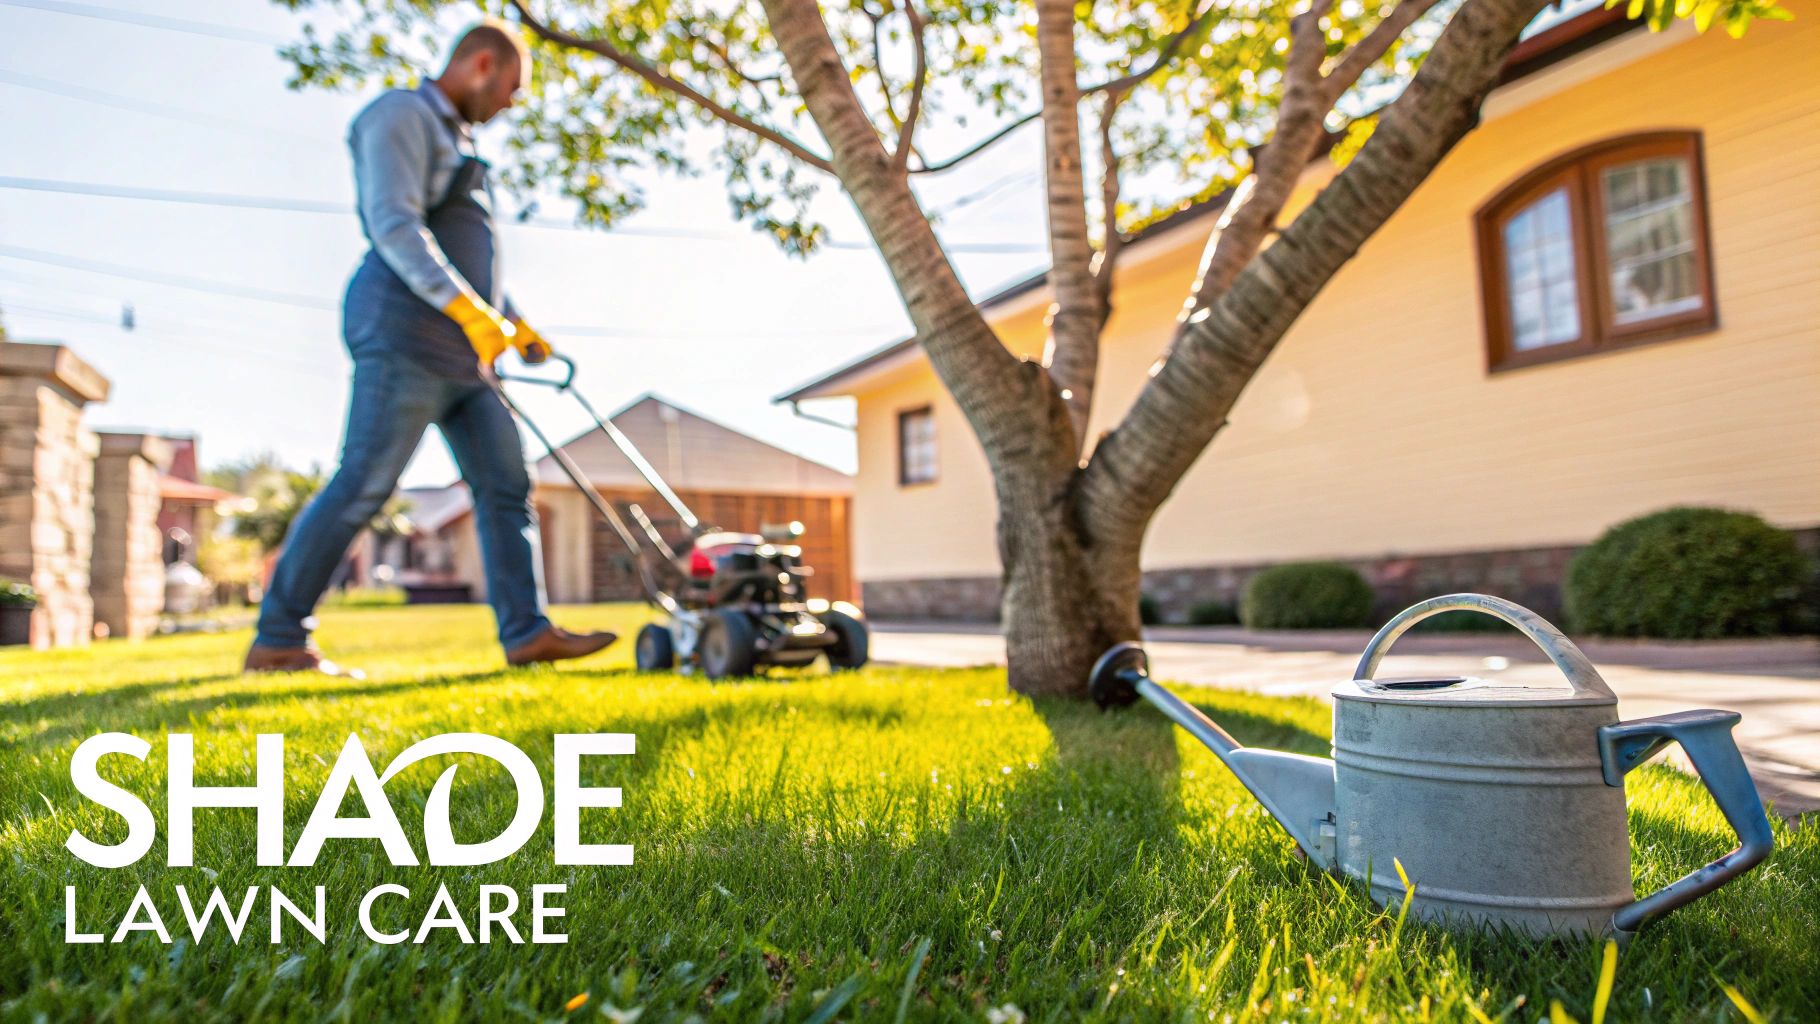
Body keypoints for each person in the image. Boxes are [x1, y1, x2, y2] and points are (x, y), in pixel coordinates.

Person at [244, 20, 617, 677]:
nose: (510, 103)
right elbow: (394, 224)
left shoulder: (459, 140)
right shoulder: (401, 115)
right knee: (365, 481)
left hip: (466, 353)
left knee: (505, 487)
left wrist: (513, 321)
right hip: (403, 333)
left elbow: (467, 259)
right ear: (480, 64)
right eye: (511, 88)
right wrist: (470, 312)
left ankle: (527, 633)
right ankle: (279, 637)